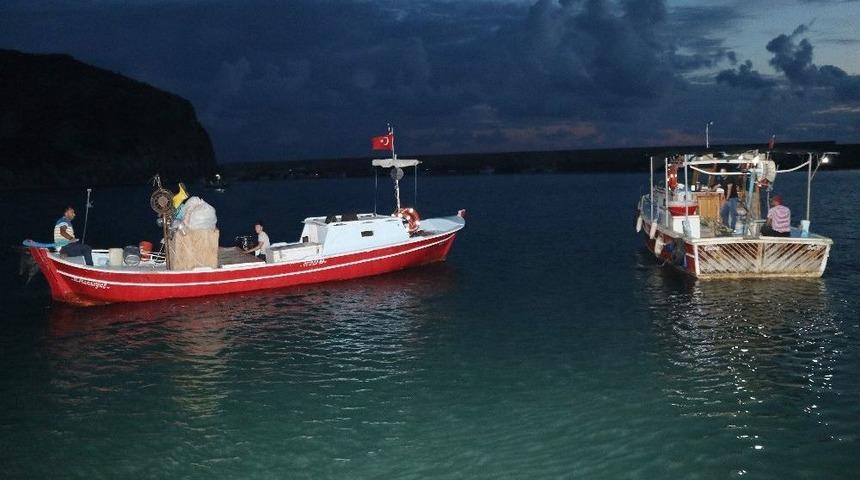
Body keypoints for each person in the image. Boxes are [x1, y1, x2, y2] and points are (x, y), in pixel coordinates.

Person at [719, 167, 739, 232]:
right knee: (723, 213)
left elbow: (729, 189)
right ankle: (726, 227)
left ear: (726, 172)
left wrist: (727, 198)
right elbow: (718, 185)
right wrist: (711, 189)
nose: (722, 173)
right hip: (728, 199)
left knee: (733, 214)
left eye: (723, 172)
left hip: (732, 198)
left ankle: (733, 229)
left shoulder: (730, 178)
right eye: (721, 172)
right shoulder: (723, 179)